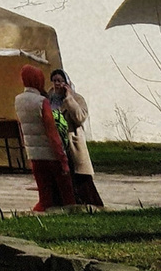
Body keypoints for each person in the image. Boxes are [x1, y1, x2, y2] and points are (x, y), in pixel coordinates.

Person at [15, 61, 71, 212]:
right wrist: (62, 158)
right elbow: (52, 132)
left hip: (34, 154)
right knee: (66, 192)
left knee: (44, 195)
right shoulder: (42, 101)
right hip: (50, 154)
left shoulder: (18, 100)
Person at [48, 69, 106, 210]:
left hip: (72, 141)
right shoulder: (49, 98)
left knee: (80, 176)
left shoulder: (77, 98)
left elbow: (80, 118)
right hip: (57, 142)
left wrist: (69, 99)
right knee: (61, 175)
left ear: (66, 83)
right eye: (54, 81)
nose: (57, 84)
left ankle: (91, 204)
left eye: (60, 81)